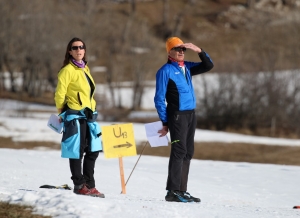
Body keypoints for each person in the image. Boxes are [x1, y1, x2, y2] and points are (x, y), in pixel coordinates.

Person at [154, 37, 214, 203]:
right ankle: (172, 191)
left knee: (188, 152)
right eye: (177, 49)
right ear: (169, 51)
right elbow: (159, 99)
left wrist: (199, 50)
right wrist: (165, 122)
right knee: (179, 151)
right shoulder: (165, 71)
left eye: (183, 49)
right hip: (177, 116)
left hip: (190, 115)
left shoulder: (186, 67)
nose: (181, 52)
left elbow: (208, 65)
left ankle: (181, 190)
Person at [54, 37, 104, 198]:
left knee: (93, 150)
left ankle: (89, 184)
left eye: (81, 47)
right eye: (75, 48)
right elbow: (60, 93)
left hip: (88, 115)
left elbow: (88, 93)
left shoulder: (84, 68)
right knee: (77, 150)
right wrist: (62, 112)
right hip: (74, 114)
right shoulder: (67, 70)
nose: (78, 50)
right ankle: (79, 184)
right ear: (69, 51)